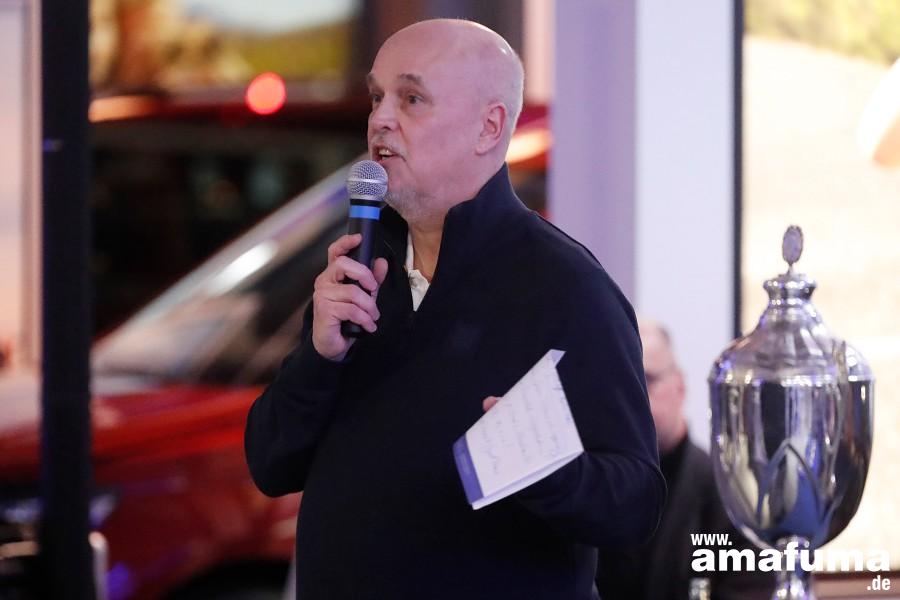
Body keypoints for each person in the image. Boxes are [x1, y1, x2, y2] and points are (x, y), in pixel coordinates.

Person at [245, 19, 665, 600]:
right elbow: (271, 465)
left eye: (411, 98)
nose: (380, 119)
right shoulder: (360, 269)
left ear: (488, 127)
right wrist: (320, 359)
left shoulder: (566, 286)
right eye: (376, 96)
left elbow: (635, 504)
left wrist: (546, 468)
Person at [595, 318, 774, 600]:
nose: (629, 400)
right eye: (617, 386)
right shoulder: (587, 494)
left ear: (679, 386)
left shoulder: (736, 501)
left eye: (645, 380)